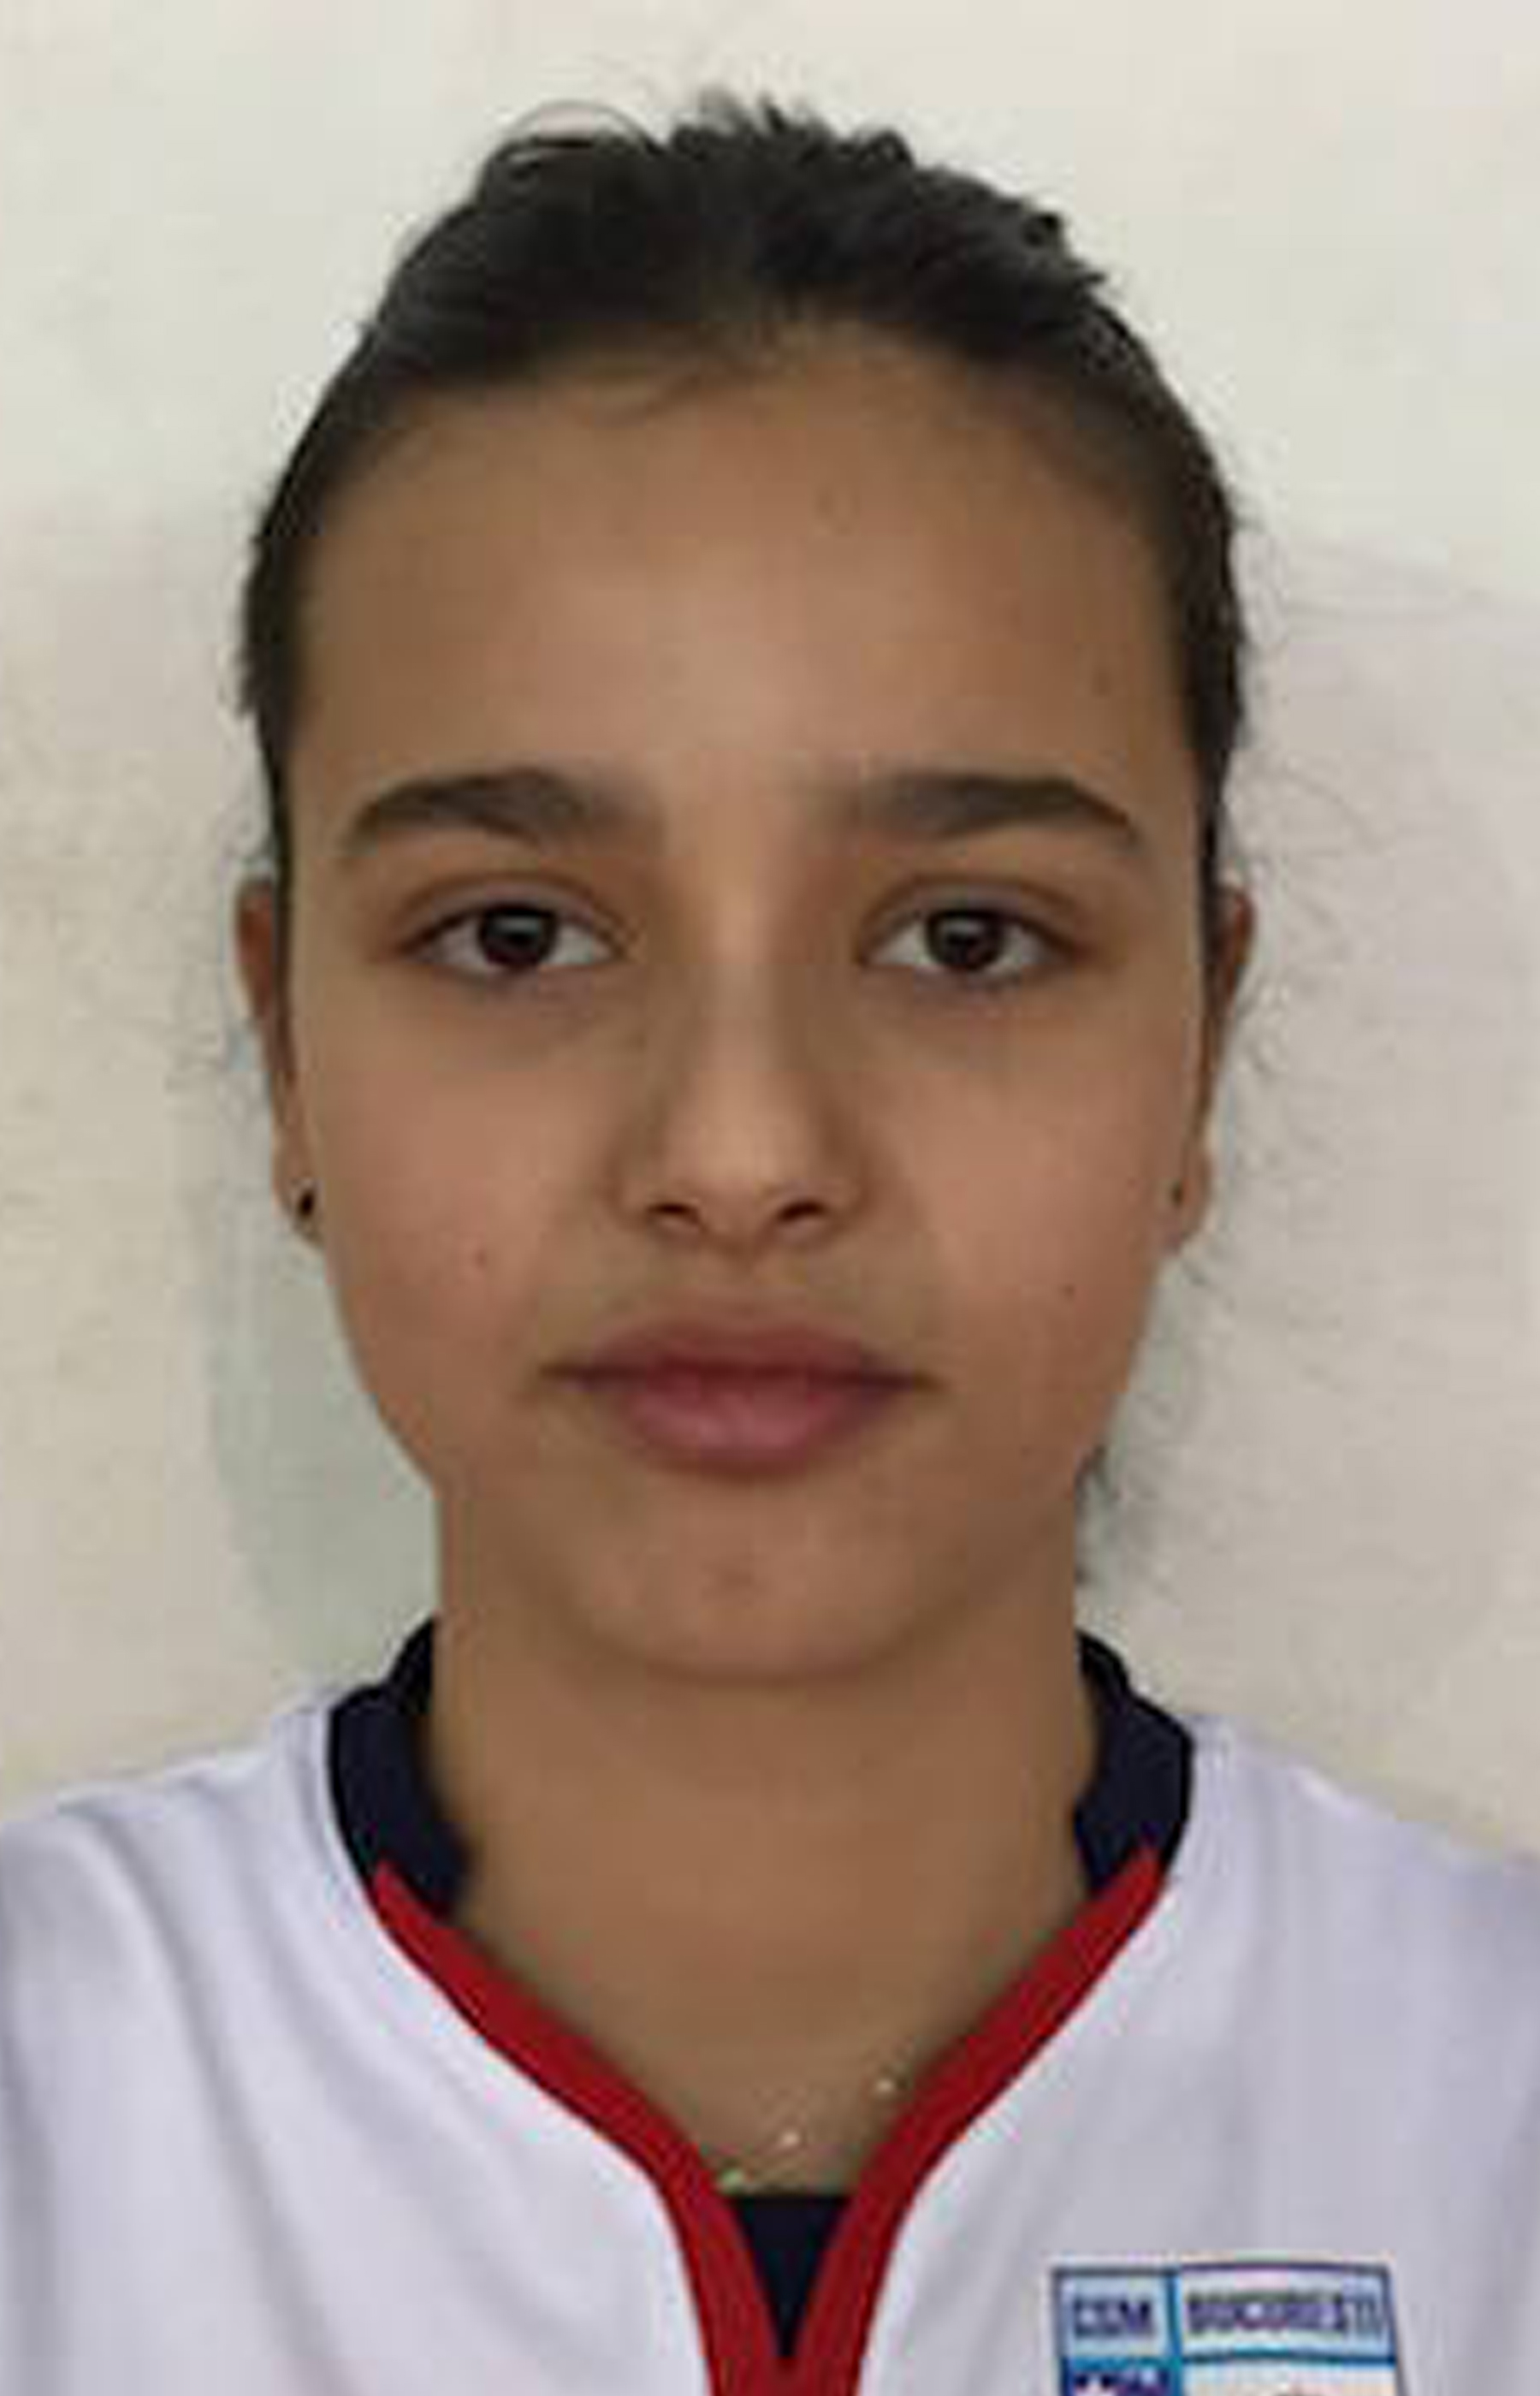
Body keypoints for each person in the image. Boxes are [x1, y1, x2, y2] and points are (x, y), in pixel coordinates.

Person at [1, 92, 1537, 2396]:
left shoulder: (1489, 2128)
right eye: (517, 934)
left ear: (1201, 1052)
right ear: (289, 1046)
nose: (739, 1156)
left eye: (966, 939)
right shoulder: (52, 2110)